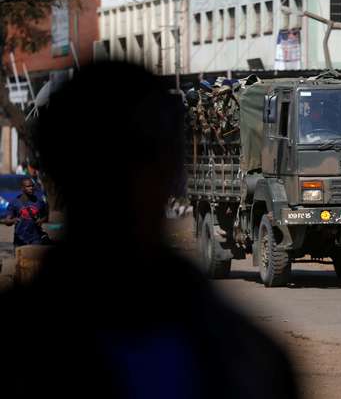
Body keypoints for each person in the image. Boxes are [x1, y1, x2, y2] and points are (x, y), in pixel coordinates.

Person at [0, 63, 299, 398]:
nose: (116, 183)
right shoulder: (245, 358)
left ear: (51, 166)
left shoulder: (15, 344)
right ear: (171, 167)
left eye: (129, 157)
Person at [2, 177, 48, 247]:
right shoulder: (15, 203)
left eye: (32, 186)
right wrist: (13, 220)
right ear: (22, 188)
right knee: (21, 258)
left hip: (36, 239)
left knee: (34, 257)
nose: (31, 188)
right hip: (20, 239)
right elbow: (6, 221)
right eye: (28, 186)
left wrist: (41, 220)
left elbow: (45, 216)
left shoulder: (39, 202)